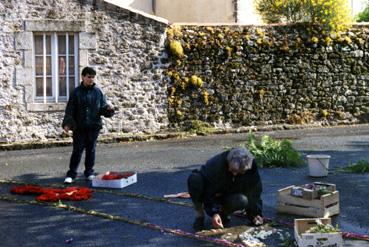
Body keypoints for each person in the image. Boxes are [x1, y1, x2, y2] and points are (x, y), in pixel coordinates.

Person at [187, 147, 263, 231]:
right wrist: (214, 213)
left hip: (230, 192)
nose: (234, 174)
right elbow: (208, 193)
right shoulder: (216, 166)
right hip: (212, 192)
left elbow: (255, 190)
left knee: (241, 200)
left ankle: (223, 214)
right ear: (228, 161)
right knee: (195, 179)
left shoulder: (251, 167)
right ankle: (199, 215)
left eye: (239, 172)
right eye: (232, 170)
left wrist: (255, 213)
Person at [62, 66, 115, 184]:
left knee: (91, 150)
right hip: (79, 127)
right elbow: (70, 110)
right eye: (89, 77)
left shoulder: (98, 92)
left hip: (93, 126)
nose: (91, 79)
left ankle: (89, 173)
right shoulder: (76, 92)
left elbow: (102, 108)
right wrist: (67, 124)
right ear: (83, 77)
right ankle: (71, 174)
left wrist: (109, 110)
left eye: (93, 77)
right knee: (77, 151)